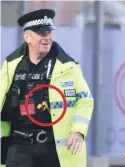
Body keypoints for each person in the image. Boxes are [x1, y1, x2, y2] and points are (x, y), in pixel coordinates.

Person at [0, 9, 94, 167]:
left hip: (53, 149)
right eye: (41, 33)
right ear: (27, 37)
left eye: (49, 32)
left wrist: (78, 130)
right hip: (19, 145)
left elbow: (85, 100)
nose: (47, 38)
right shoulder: (11, 66)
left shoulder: (69, 67)